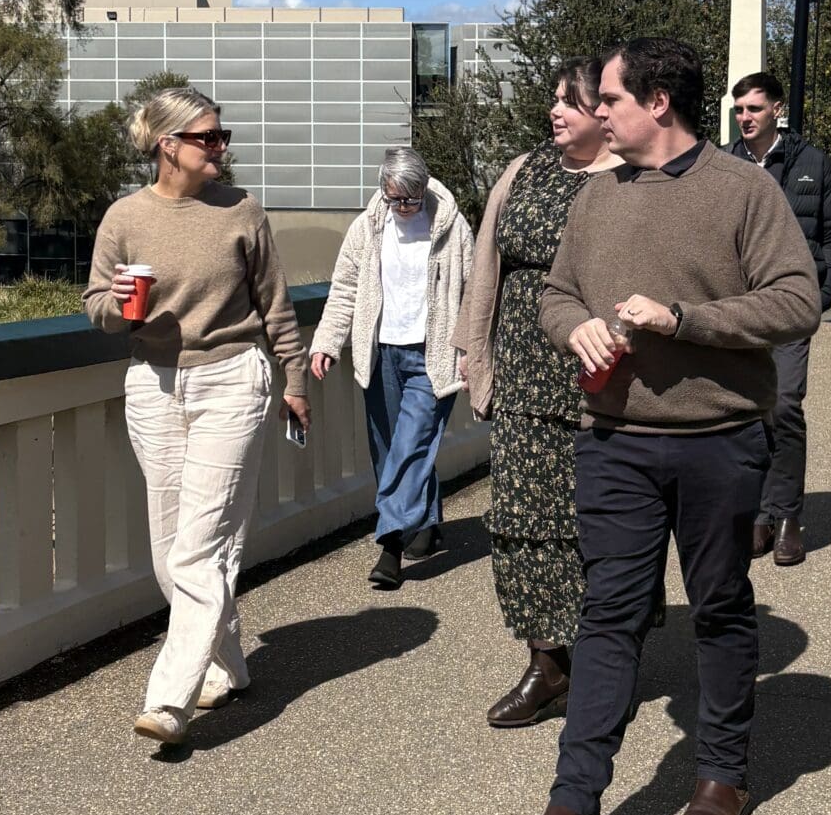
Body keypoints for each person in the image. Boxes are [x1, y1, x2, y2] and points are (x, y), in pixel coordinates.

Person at [501, 35, 822, 815]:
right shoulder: (597, 197)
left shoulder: (743, 191)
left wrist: (685, 320)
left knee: (717, 606)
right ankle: (571, 804)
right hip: (613, 443)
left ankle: (721, 774)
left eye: (608, 100)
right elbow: (555, 292)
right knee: (607, 617)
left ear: (656, 104)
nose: (597, 113)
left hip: (720, 442)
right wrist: (578, 331)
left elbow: (796, 300)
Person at [85, 86, 309, 746]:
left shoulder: (242, 211)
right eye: (208, 137)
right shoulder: (123, 218)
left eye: (222, 136)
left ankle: (170, 699)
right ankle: (227, 665)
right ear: (168, 146)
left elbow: (277, 306)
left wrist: (294, 377)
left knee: (200, 543)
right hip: (153, 385)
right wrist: (118, 302)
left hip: (233, 381)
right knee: (169, 548)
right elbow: (96, 304)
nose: (221, 147)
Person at [458, 59, 621, 726]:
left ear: (603, 115)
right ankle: (546, 663)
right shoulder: (523, 170)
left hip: (598, 380)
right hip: (524, 372)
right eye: (555, 100)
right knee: (523, 520)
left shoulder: (632, 180)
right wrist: (476, 355)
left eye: (571, 103)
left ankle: (603, 659)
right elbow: (486, 265)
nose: (556, 112)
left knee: (591, 525)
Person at [312, 146, 474, 590]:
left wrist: (472, 351)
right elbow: (344, 288)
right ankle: (427, 521)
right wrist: (327, 342)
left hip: (431, 355)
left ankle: (390, 544)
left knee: (411, 445)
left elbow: (474, 292)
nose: (403, 208)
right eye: (395, 199)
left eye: (411, 199)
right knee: (388, 451)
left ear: (424, 189)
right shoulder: (367, 227)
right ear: (382, 191)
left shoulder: (452, 227)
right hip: (381, 353)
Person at [727, 71, 831, 565]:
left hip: (792, 306)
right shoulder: (723, 162)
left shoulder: (813, 163)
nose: (745, 118)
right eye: (739, 110)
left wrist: (821, 295)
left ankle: (787, 517)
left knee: (782, 406)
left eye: (754, 109)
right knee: (745, 411)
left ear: (777, 109)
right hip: (737, 309)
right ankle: (756, 514)